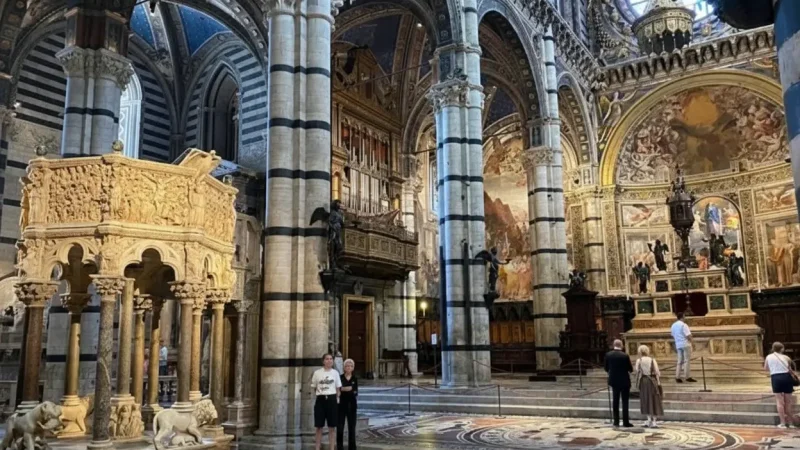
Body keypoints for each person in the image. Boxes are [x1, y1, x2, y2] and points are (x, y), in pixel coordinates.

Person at [764, 342, 799, 428]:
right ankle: (790, 422)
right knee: (788, 402)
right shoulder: (786, 357)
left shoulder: (769, 357)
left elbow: (766, 368)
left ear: (773, 348)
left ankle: (782, 423)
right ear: (782, 349)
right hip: (786, 378)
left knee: (779, 401)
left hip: (776, 378)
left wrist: (773, 369)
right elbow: (790, 369)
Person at [312, 353, 341, 450]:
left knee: (332, 427)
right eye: (327, 359)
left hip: (332, 399)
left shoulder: (335, 373)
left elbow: (338, 388)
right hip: (320, 399)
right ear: (323, 361)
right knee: (319, 426)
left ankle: (332, 448)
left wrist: (336, 399)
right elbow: (314, 387)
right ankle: (317, 447)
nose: (329, 361)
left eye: (331, 359)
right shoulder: (317, 373)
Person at [604, 339, 633, 428]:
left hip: (614, 380)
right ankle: (626, 422)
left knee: (615, 401)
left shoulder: (608, 355)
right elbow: (630, 369)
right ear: (622, 345)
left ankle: (616, 421)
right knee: (625, 401)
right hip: (624, 381)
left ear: (613, 345)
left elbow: (606, 368)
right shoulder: (625, 356)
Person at [635, 345, 664, 428]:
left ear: (640, 351)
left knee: (645, 399)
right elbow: (657, 372)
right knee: (654, 399)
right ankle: (654, 421)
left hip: (643, 381)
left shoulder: (638, 361)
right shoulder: (652, 360)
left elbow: (637, 371)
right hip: (652, 381)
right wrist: (658, 382)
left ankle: (648, 420)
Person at [338, 359, 358, 449]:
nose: (348, 367)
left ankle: (352, 447)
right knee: (340, 428)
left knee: (352, 428)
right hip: (341, 405)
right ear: (344, 367)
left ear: (353, 368)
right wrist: (346, 389)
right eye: (347, 366)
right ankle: (339, 447)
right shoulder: (340, 377)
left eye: (350, 366)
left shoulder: (355, 378)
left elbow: (354, 391)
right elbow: (338, 390)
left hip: (352, 405)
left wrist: (344, 389)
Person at [671, 312, 697, 383]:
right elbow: (688, 335)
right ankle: (687, 376)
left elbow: (673, 335)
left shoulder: (673, 325)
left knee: (679, 361)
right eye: (684, 316)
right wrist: (693, 343)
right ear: (682, 317)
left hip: (678, 344)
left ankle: (677, 377)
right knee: (686, 361)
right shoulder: (684, 325)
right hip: (685, 344)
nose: (685, 318)